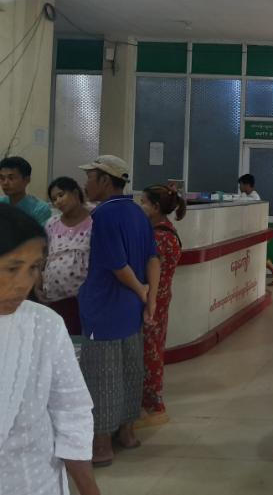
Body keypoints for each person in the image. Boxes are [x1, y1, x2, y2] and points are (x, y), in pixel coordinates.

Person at [0, 204, 101, 495]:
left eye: (34, 267)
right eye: (12, 268)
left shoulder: (43, 325)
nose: (24, 283)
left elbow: (70, 410)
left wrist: (88, 488)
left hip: (33, 481)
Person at [76, 155, 160, 466]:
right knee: (129, 370)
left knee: (102, 375)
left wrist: (140, 289)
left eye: (90, 177)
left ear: (104, 180)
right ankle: (127, 433)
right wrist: (149, 300)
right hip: (131, 310)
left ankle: (101, 446)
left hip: (105, 307)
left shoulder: (103, 215)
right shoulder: (138, 212)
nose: (86, 183)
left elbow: (116, 264)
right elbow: (153, 259)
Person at [138, 183, 186, 428]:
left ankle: (154, 407)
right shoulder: (166, 231)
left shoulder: (159, 237)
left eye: (144, 202)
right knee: (153, 349)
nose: (140, 206)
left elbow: (149, 270)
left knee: (150, 353)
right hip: (160, 299)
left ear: (156, 207)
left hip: (152, 301)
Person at [36, 176, 92, 335]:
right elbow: (42, 256)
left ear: (75, 193)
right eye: (54, 199)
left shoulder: (95, 219)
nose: (58, 201)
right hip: (55, 297)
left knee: (83, 340)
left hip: (85, 297)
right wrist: (37, 285)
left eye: (61, 195)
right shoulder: (52, 223)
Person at [0, 155, 53, 225]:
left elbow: (41, 232)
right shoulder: (1, 203)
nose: (5, 183)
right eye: (2, 178)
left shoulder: (40, 209)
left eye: (11, 178)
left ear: (26, 180)